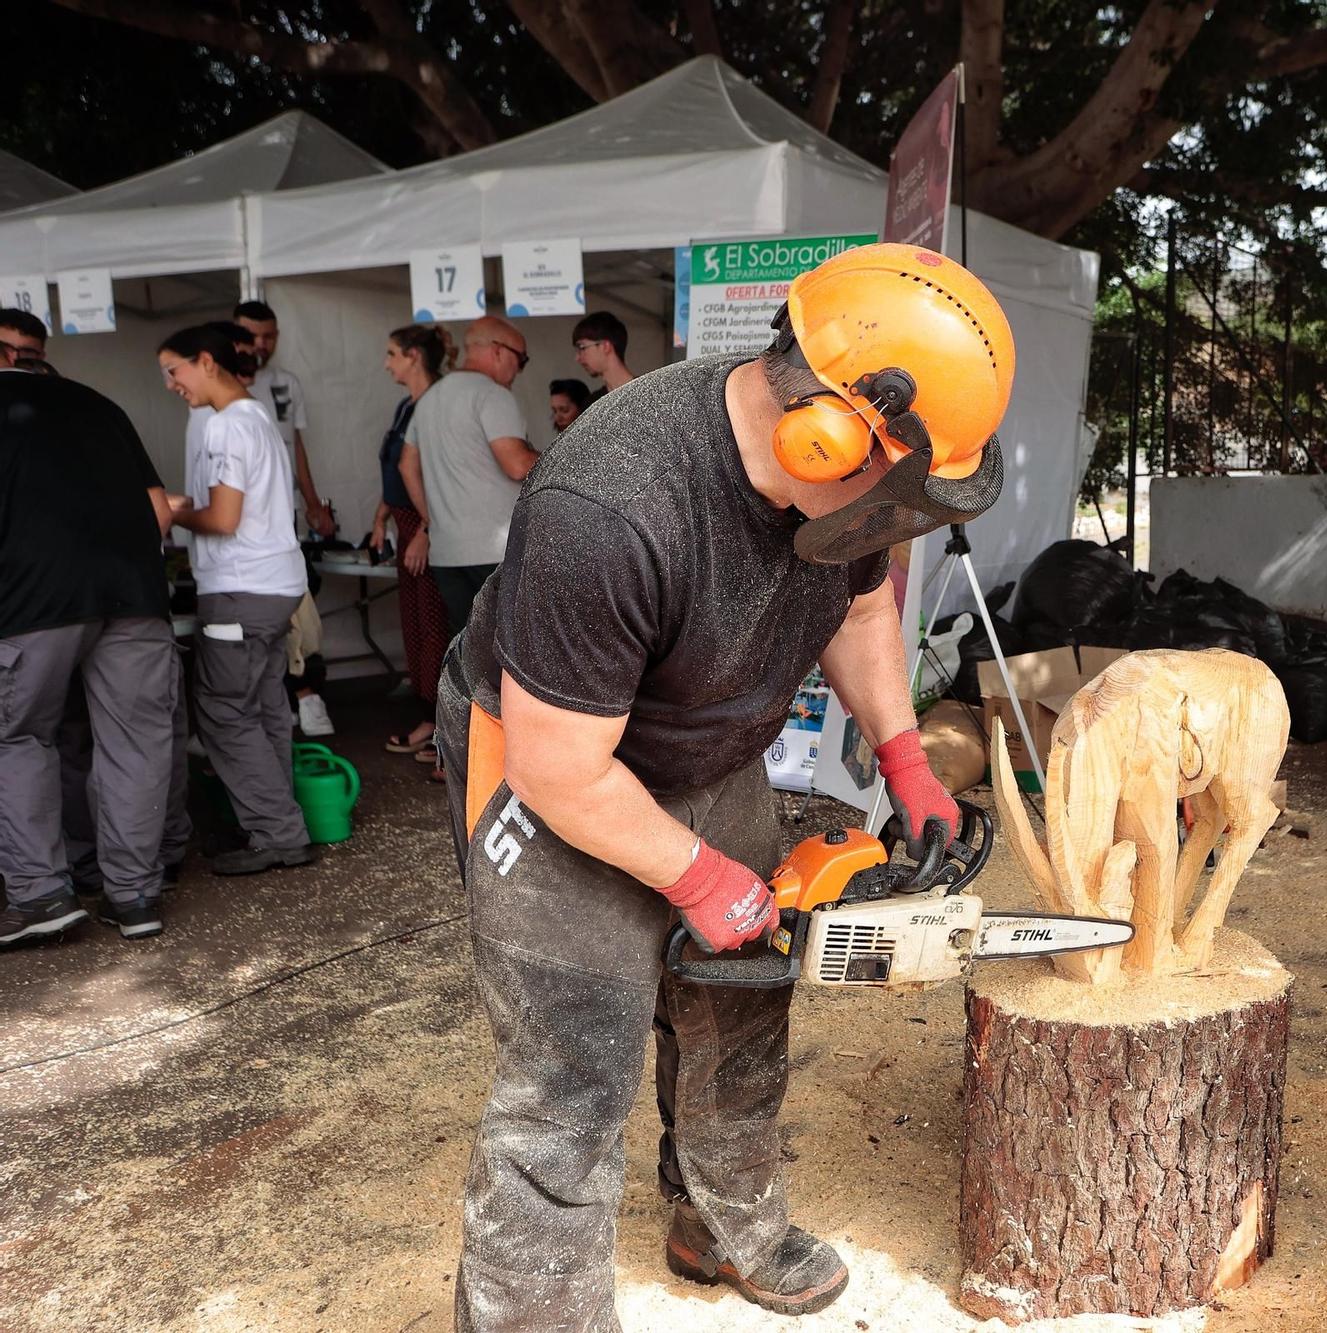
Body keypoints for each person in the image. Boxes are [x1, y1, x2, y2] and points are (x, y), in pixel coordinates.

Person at [439, 243, 1012, 1326]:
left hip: (709, 745)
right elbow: (558, 767)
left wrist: (903, 757)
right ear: (824, 433)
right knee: (572, 1066)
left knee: (739, 1002)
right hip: (550, 767)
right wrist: (696, 876)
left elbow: (856, 608)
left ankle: (719, 1220)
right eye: (894, 498)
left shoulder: (843, 490)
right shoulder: (606, 508)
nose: (894, 527)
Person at [0, 330, 179, 944]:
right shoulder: (98, 403)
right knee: (136, 742)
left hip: (30, 604)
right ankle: (135, 895)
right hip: (136, 596)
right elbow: (159, 510)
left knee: (17, 738)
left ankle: (39, 894)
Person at [160, 323, 319, 876]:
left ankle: (276, 831)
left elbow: (224, 520)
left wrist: (171, 510)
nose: (171, 384)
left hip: (239, 589)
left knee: (224, 712)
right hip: (275, 585)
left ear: (206, 361)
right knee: (265, 708)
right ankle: (279, 823)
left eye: (173, 370)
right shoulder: (255, 418)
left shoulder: (227, 427)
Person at [398, 315, 537, 636]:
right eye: (522, 359)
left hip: (447, 551)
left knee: (468, 653)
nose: (520, 370)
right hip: (495, 551)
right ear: (499, 351)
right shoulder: (492, 395)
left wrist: (431, 518)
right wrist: (561, 458)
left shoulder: (430, 397)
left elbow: (406, 466)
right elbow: (516, 465)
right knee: (512, 651)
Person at [235, 299, 337, 738]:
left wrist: (313, 503)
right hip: (239, 524)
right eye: (251, 336)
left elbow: (294, 446)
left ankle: (304, 696)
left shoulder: (285, 383)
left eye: (269, 336)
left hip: (283, 519)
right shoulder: (218, 384)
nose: (261, 345)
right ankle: (277, 702)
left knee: (296, 607)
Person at [369, 324, 453, 774]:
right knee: (417, 629)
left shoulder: (437, 402)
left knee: (438, 628)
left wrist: (426, 527)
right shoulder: (408, 406)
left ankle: (446, 726)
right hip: (406, 523)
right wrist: (379, 518)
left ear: (415, 356)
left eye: (391, 353)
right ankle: (428, 718)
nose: (386, 363)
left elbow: (438, 475)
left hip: (429, 527)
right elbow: (396, 472)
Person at [572, 310, 635, 395]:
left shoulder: (647, 393)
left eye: (582, 348)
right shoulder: (592, 403)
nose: (577, 358)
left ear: (606, 346)